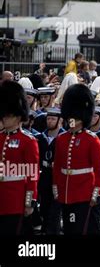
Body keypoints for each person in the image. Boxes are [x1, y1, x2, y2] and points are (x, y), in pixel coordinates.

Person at [53, 84, 100, 235]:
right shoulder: (61, 139)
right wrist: (56, 189)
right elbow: (57, 166)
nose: (70, 120)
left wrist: (96, 194)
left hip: (84, 194)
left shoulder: (92, 140)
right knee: (69, 229)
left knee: (81, 229)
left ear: (82, 117)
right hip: (66, 193)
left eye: (74, 117)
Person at [0, 81, 40, 235]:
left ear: (18, 116)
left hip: (15, 200)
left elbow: (32, 175)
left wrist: (29, 201)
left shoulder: (28, 141)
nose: (4, 118)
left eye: (8, 115)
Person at [36, 107, 64, 234]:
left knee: (55, 207)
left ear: (60, 121)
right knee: (44, 205)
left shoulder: (64, 137)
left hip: (58, 175)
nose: (50, 121)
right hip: (45, 174)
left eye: (53, 119)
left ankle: (53, 230)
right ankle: (45, 228)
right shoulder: (41, 137)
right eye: (48, 118)